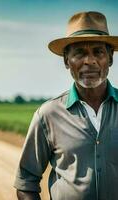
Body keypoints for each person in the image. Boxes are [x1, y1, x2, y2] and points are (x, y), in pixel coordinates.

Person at [14, 11, 118, 200]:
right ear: (66, 61)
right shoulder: (48, 115)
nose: (90, 61)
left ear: (110, 58)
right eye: (79, 53)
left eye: (98, 52)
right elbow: (26, 183)